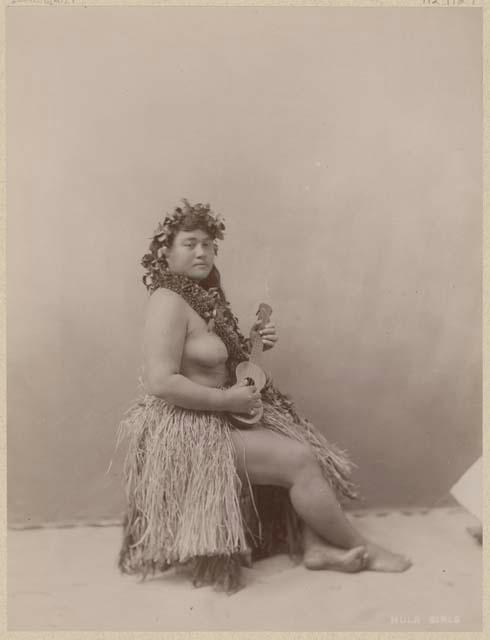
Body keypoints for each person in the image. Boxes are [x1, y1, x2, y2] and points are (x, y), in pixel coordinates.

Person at [117, 199, 412, 593]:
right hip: (193, 427)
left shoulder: (200, 296)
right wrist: (229, 402)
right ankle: (363, 547)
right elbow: (162, 382)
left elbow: (218, 361)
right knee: (300, 460)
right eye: (190, 243)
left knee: (303, 445)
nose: (202, 251)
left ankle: (317, 547)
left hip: (221, 414)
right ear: (165, 251)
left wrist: (255, 344)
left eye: (208, 244)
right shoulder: (167, 302)